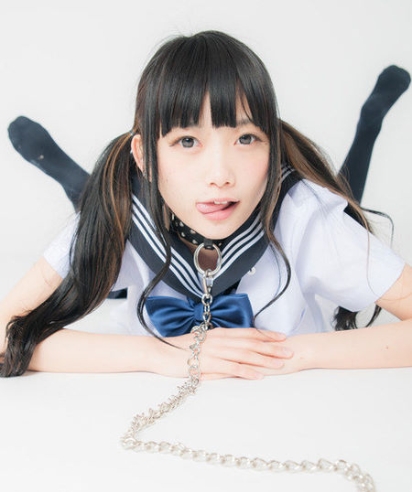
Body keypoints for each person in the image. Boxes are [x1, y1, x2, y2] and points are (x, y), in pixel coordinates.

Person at [1, 30, 412, 380]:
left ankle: (368, 126)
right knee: (100, 207)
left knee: (342, 194)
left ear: (273, 147)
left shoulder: (304, 214)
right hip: (135, 199)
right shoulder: (123, 210)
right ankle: (75, 180)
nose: (220, 175)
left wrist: (292, 355)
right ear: (144, 156)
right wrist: (160, 355)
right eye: (187, 141)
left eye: (246, 139)